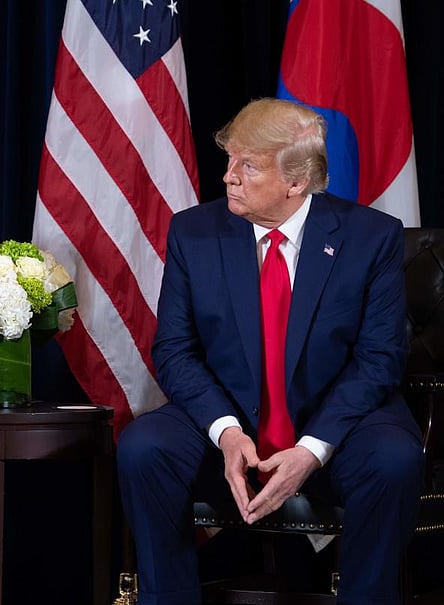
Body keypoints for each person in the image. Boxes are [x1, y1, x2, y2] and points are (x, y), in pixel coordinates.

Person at [117, 98, 423, 605]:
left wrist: (312, 448)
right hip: (229, 416)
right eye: (230, 160)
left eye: (248, 166)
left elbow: (379, 360)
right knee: (145, 447)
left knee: (393, 460)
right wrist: (226, 431)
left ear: (296, 181)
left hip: (336, 422)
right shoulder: (195, 232)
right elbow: (174, 348)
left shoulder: (371, 237)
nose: (229, 177)